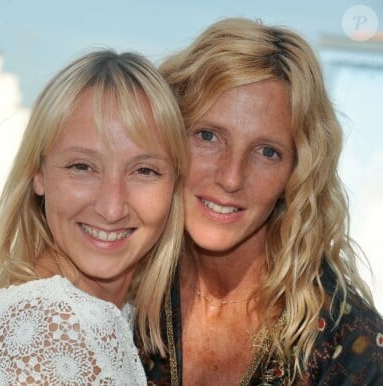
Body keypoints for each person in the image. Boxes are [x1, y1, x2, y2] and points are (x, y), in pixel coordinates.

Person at [135, 17, 383, 385]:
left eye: (267, 152)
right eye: (208, 136)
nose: (231, 177)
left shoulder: (347, 343)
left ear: (296, 173)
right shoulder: (122, 282)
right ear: (168, 135)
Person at [0, 49, 187, 385]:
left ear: (174, 185)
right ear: (38, 172)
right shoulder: (50, 328)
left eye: (144, 170)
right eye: (82, 167)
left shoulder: (106, 315)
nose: (112, 208)